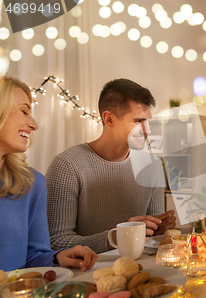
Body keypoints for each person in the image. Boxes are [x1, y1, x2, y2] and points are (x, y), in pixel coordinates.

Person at [46, 78, 176, 254]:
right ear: (109, 119)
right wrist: (115, 238)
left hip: (141, 268)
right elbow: (57, 242)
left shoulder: (152, 166)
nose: (148, 131)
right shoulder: (67, 166)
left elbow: (151, 238)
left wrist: (157, 228)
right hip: (87, 275)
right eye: (138, 121)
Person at [0, 76, 97, 272]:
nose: (34, 124)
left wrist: (58, 257)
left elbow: (33, 256)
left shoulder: (30, 184)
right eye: (24, 111)